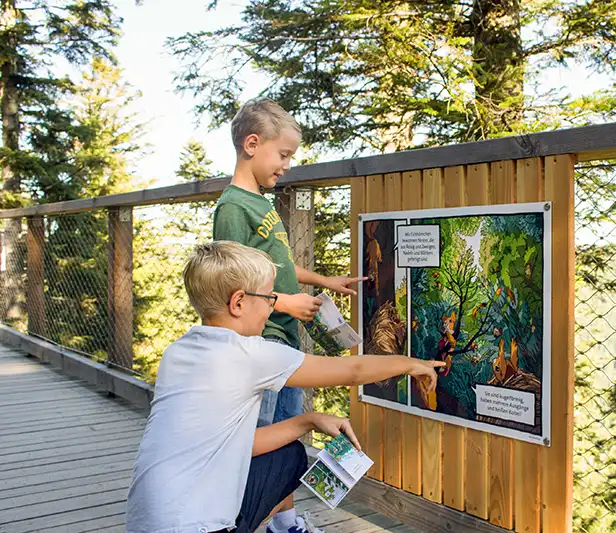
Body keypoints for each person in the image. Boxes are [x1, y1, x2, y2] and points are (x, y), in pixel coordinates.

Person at [125, 241, 442, 533]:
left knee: (288, 456)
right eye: (269, 298)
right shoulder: (251, 354)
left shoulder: (177, 352)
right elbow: (353, 370)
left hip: (145, 522)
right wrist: (412, 364)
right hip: (197, 527)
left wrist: (309, 420)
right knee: (288, 459)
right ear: (238, 302)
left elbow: (238, 445)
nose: (271, 308)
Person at [212, 97, 366, 532]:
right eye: (282, 155)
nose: (286, 166)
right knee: (260, 437)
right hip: (259, 342)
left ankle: (284, 522)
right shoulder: (233, 207)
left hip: (282, 340)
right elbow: (230, 281)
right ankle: (239, 520)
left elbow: (275, 264)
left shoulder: (261, 202)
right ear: (252, 144)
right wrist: (284, 303)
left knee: (287, 431)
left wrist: (321, 280)